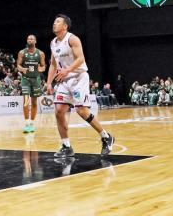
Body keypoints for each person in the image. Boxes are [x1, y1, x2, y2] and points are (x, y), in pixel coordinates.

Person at [46, 15, 114, 159]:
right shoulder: (53, 43)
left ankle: (106, 136)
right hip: (64, 80)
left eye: (57, 21)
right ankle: (66, 146)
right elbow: (53, 64)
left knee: (81, 111)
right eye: (54, 21)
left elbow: (81, 59)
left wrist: (67, 70)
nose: (54, 23)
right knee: (59, 111)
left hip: (78, 77)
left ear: (65, 26)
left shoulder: (72, 39)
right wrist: (48, 82)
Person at [17, 34, 45, 133]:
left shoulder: (40, 53)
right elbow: (18, 65)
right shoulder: (22, 53)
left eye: (32, 38)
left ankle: (32, 124)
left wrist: (41, 69)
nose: (30, 40)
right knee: (25, 100)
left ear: (35, 41)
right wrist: (22, 69)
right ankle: (27, 123)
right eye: (28, 38)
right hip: (25, 79)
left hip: (36, 79)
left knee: (33, 102)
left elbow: (43, 66)